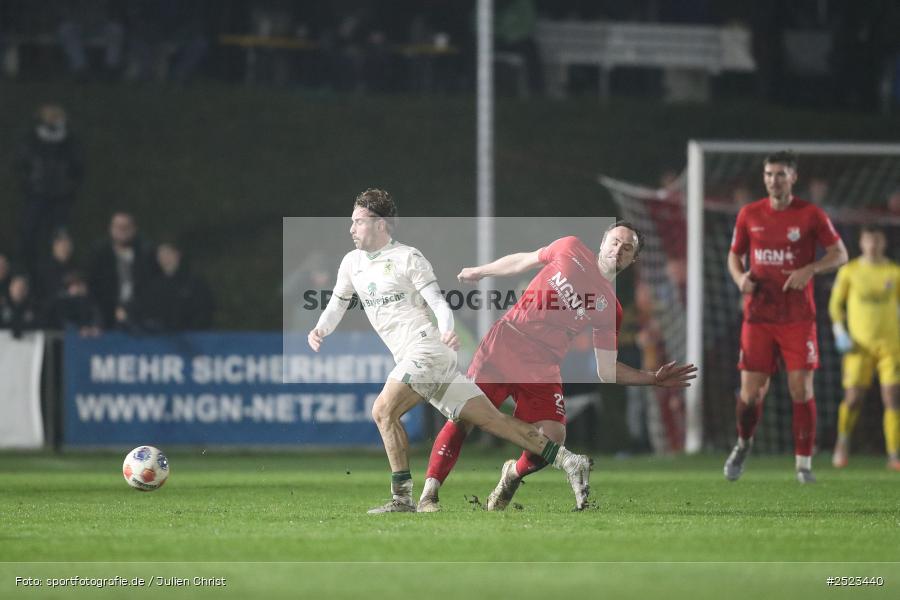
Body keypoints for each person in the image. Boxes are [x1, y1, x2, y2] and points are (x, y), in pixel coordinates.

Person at [308, 189, 593, 513]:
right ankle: (569, 460)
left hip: (426, 350)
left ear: (379, 224)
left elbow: (438, 303)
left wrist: (446, 329)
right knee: (492, 420)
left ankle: (402, 498)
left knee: (383, 411)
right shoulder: (351, 263)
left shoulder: (407, 258)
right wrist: (320, 329)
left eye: (358, 221)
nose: (351, 228)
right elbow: (337, 303)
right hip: (425, 359)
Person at [418, 221, 697, 512]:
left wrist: (652, 378)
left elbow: (606, 370)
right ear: (603, 241)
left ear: (632, 259)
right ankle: (429, 494)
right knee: (465, 416)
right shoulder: (570, 247)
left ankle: (511, 475)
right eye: (615, 241)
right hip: (506, 343)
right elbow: (523, 260)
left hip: (543, 364)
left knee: (553, 439)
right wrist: (482, 271)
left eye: (627, 248)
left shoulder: (609, 308)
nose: (619, 250)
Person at [724, 151, 848, 484]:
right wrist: (740, 280)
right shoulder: (749, 214)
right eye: (768, 174)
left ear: (793, 177)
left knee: (800, 388)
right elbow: (734, 256)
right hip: (759, 316)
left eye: (780, 174)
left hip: (797, 317)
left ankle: (804, 465)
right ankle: (743, 443)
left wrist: (811, 269)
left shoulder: (811, 215)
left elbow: (841, 254)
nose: (773, 180)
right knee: (750, 395)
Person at [828, 225, 900, 471]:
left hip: (891, 346)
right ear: (861, 243)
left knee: (892, 398)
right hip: (858, 347)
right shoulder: (850, 271)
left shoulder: (894, 272)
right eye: (869, 239)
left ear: (884, 243)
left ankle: (894, 454)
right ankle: (843, 442)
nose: (873, 245)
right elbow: (835, 306)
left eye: (877, 239)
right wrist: (840, 333)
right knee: (853, 398)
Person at [14, 104, 84, 275]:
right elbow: (21, 164)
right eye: (49, 115)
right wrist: (29, 184)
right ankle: (26, 271)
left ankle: (62, 273)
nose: (53, 118)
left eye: (56, 115)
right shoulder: (31, 139)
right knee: (29, 234)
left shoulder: (70, 141)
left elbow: (78, 168)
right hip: (36, 194)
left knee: (60, 235)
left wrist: (69, 186)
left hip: (61, 197)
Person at [87, 212, 158, 329]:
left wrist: (130, 310)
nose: (122, 230)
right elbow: (94, 288)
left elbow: (150, 288)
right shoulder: (100, 254)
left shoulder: (145, 254)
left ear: (134, 229)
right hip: (105, 318)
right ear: (111, 229)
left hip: (138, 318)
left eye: (126, 227)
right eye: (118, 227)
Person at [136, 241, 214, 332]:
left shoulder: (194, 282)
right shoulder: (152, 285)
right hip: (159, 339)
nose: (165, 258)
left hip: (191, 337)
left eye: (168, 253)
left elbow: (205, 310)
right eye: (161, 255)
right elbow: (146, 311)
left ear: (177, 254)